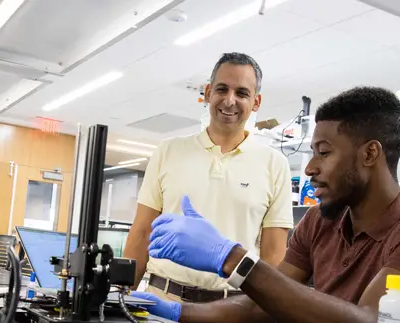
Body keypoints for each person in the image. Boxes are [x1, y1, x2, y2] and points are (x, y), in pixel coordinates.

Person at [133, 87, 400, 323]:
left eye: (323, 153)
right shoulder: (320, 223)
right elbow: (259, 308)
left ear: (370, 154)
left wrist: (231, 257)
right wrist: (174, 314)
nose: (309, 169)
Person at [124, 52, 293, 303]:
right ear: (207, 92)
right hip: (162, 299)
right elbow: (141, 233)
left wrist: (257, 315)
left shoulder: (274, 164)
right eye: (222, 89)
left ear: (256, 102)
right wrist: (119, 297)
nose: (230, 100)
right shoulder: (168, 151)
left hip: (231, 308)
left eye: (242, 93)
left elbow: (274, 254)